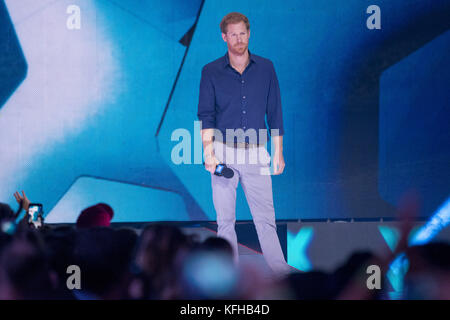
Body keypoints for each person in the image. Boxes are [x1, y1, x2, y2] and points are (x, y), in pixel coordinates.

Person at [197, 12, 291, 275]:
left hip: (257, 150)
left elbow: (275, 112)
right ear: (224, 37)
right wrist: (209, 153)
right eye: (233, 34)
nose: (239, 39)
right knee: (225, 221)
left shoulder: (266, 67)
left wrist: (278, 153)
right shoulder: (211, 71)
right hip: (223, 150)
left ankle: (281, 275)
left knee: (266, 220)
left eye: (243, 33)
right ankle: (228, 278)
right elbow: (206, 115)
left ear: (249, 34)